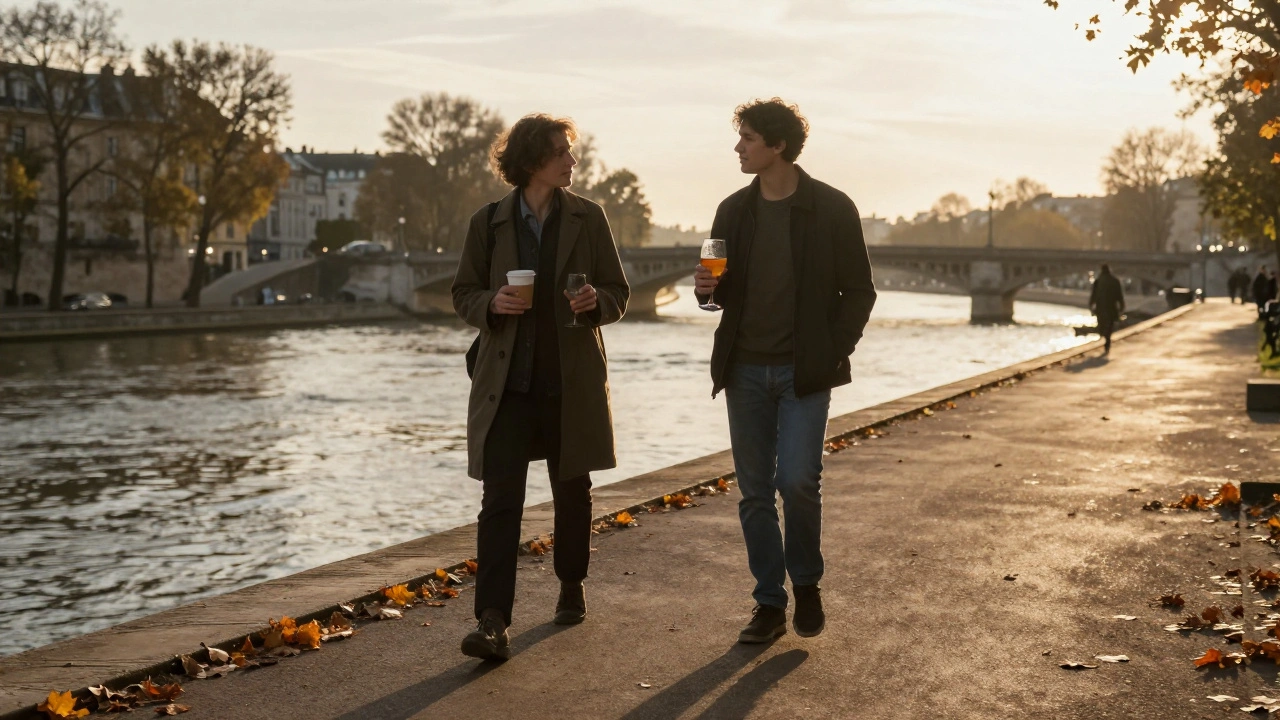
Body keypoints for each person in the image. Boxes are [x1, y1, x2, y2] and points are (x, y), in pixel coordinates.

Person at [693, 98, 876, 644]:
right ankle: (769, 603)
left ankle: (808, 582)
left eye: (747, 138)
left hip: (803, 374)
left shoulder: (833, 208)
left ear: (777, 145)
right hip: (745, 369)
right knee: (753, 492)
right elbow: (715, 291)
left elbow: (859, 292)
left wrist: (830, 351)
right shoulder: (732, 210)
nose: (738, 147)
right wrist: (706, 292)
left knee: (797, 482)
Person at [451, 114, 630, 661]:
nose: (571, 161)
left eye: (570, 152)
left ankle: (571, 583)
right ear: (532, 161)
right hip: (506, 386)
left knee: (572, 491)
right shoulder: (489, 223)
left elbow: (619, 293)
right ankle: (492, 620)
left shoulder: (589, 218)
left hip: (568, 381)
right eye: (560, 153)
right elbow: (463, 293)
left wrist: (595, 301)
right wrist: (491, 304)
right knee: (500, 501)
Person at [1089, 264, 1124, 354]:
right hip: (1112, 308)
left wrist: (1091, 306)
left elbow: (1093, 295)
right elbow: (1119, 296)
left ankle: (1105, 337)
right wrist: (1121, 306)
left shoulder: (1098, 281)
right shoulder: (1115, 281)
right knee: (1110, 324)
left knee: (1102, 324)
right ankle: (1107, 340)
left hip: (1101, 308)